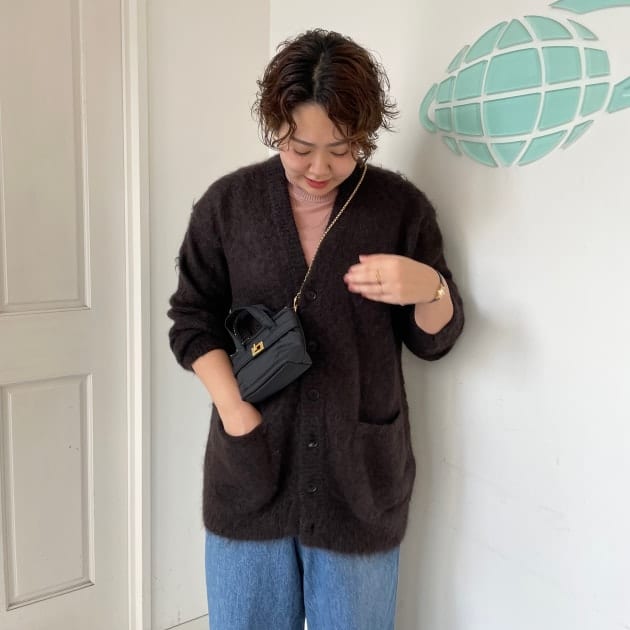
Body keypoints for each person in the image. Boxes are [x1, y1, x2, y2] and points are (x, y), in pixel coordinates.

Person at [167, 28, 464, 630]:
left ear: (365, 135)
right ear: (274, 124)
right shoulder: (228, 206)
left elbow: (433, 340)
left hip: (360, 484)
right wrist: (235, 412)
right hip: (249, 472)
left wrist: (430, 288)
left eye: (343, 148)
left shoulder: (399, 209)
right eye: (301, 148)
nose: (320, 168)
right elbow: (192, 319)